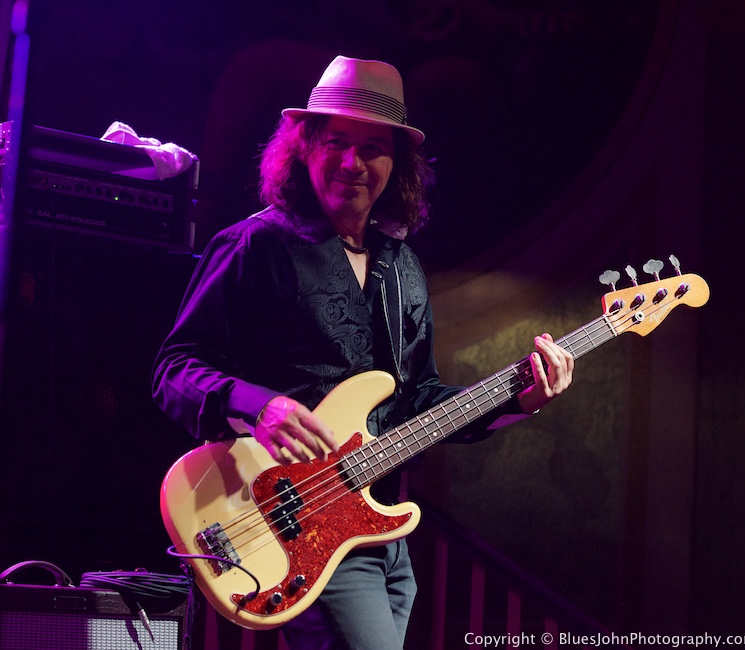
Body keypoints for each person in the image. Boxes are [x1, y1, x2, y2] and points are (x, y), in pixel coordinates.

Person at [152, 55, 574, 650]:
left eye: (372, 148)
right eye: (337, 142)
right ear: (304, 146)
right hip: (288, 516)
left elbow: (417, 400)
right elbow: (175, 368)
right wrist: (260, 407)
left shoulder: (402, 267)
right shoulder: (254, 247)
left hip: (377, 530)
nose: (352, 163)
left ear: (395, 163)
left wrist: (520, 396)